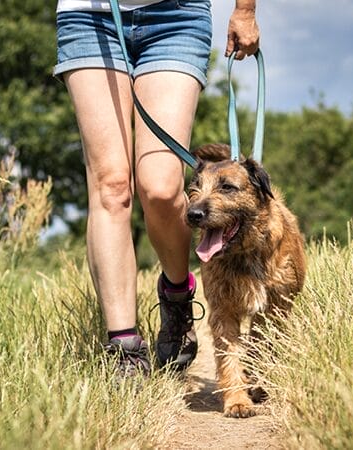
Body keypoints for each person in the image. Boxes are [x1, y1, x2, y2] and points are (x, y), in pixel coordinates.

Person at [54, 0, 260, 377]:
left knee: (162, 188)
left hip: (176, 16)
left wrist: (244, 9)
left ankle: (177, 297)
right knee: (111, 186)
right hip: (88, 17)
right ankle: (124, 346)